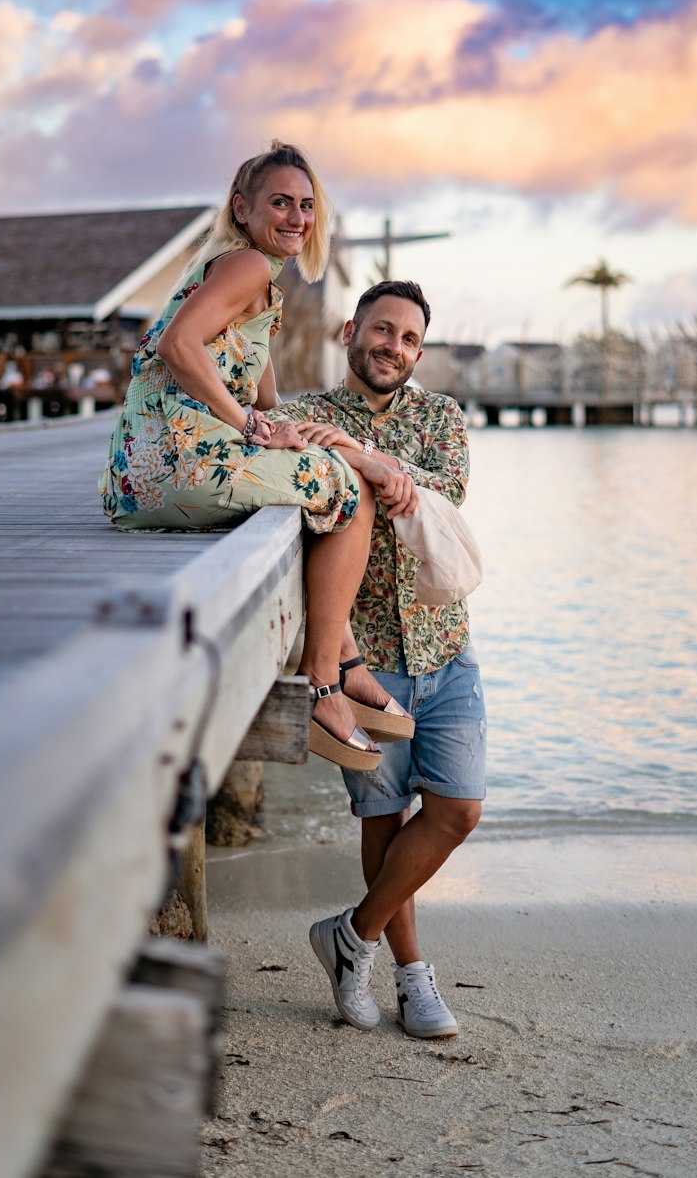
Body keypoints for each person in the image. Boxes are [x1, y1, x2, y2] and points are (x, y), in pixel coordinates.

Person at [98, 141, 417, 769]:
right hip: (175, 463)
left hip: (140, 475)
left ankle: (343, 661)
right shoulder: (244, 266)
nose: (297, 217)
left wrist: (335, 441)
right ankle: (325, 684)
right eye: (281, 203)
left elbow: (274, 405)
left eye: (306, 205)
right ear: (242, 208)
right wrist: (257, 425)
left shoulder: (248, 278)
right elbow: (178, 346)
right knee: (348, 492)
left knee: (335, 470)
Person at [272, 279, 486, 1039]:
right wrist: (341, 454)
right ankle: (411, 976)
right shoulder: (307, 413)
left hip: (445, 644)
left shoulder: (441, 416)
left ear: (418, 352)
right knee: (383, 817)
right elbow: (267, 442)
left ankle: (351, 936)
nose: (392, 347)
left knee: (459, 808)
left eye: (407, 339)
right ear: (349, 330)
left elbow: (444, 490)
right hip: (365, 658)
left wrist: (362, 456)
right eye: (381, 330)